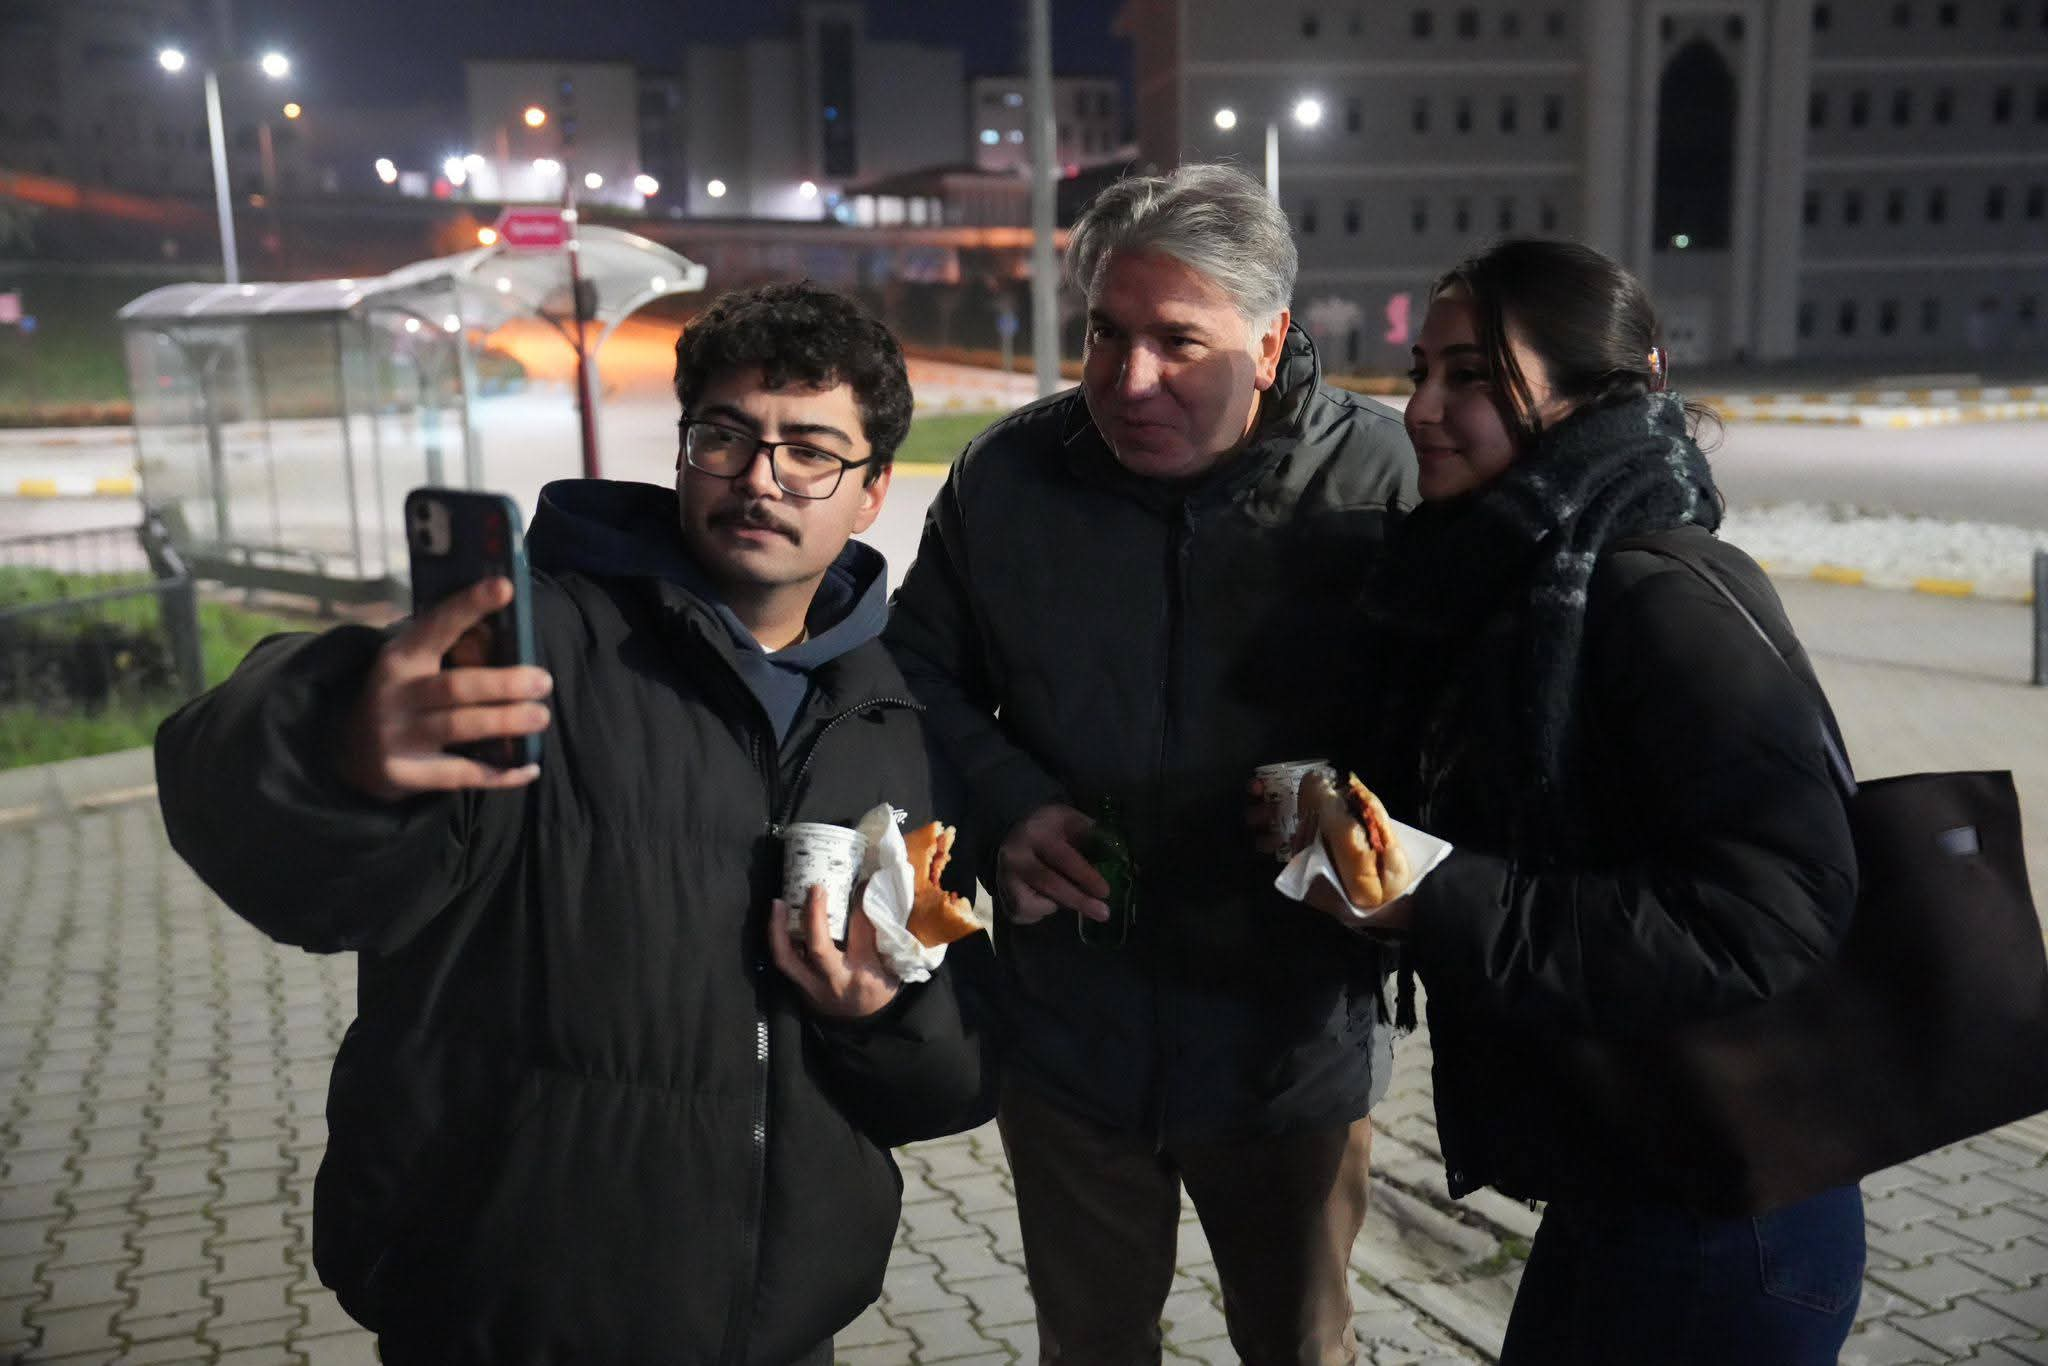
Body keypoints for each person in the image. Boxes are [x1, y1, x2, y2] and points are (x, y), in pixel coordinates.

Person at [155, 281, 991, 1365]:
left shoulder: (890, 722)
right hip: (510, 1311)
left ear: (873, 489)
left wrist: (878, 1015)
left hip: (777, 1329)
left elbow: (943, 1084)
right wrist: (340, 743)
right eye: (723, 436)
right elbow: (263, 829)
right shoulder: (530, 650)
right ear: (682, 450)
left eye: (810, 451)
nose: (760, 477)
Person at [886, 163, 1417, 1364]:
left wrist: (1387, 843)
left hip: (1285, 1047)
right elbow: (912, 672)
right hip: (1070, 1039)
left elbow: (1468, 724)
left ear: (1271, 340)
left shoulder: (1384, 486)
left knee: (1298, 1345)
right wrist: (1007, 803)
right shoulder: (1008, 479)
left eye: (1179, 342)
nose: (1130, 382)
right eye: (1105, 335)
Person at [1308, 238, 1864, 1364]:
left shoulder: (1654, 590)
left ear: (1605, 388)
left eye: (1472, 376)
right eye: (1420, 370)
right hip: (1627, 1174)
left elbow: (1773, 909)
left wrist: (1430, 899)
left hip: (1727, 1205)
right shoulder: (1509, 582)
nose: (1420, 408)